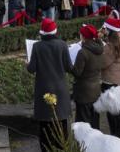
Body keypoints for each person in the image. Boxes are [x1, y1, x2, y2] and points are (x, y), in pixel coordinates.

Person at [26, 18, 72, 152]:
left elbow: (31, 69)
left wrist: (27, 64)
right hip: (60, 89)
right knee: (61, 122)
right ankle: (62, 148)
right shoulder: (63, 45)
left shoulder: (37, 46)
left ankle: (46, 149)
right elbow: (69, 67)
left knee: (45, 124)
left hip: (44, 89)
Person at [100, 18, 120, 138]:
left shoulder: (111, 46)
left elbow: (103, 63)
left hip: (110, 81)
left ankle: (116, 133)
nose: (104, 31)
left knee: (112, 110)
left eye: (106, 29)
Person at [71, 24, 104, 129]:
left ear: (83, 36)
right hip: (96, 90)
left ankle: (84, 145)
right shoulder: (99, 49)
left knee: (83, 124)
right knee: (94, 121)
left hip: (84, 92)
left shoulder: (83, 52)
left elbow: (77, 72)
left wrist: (69, 65)